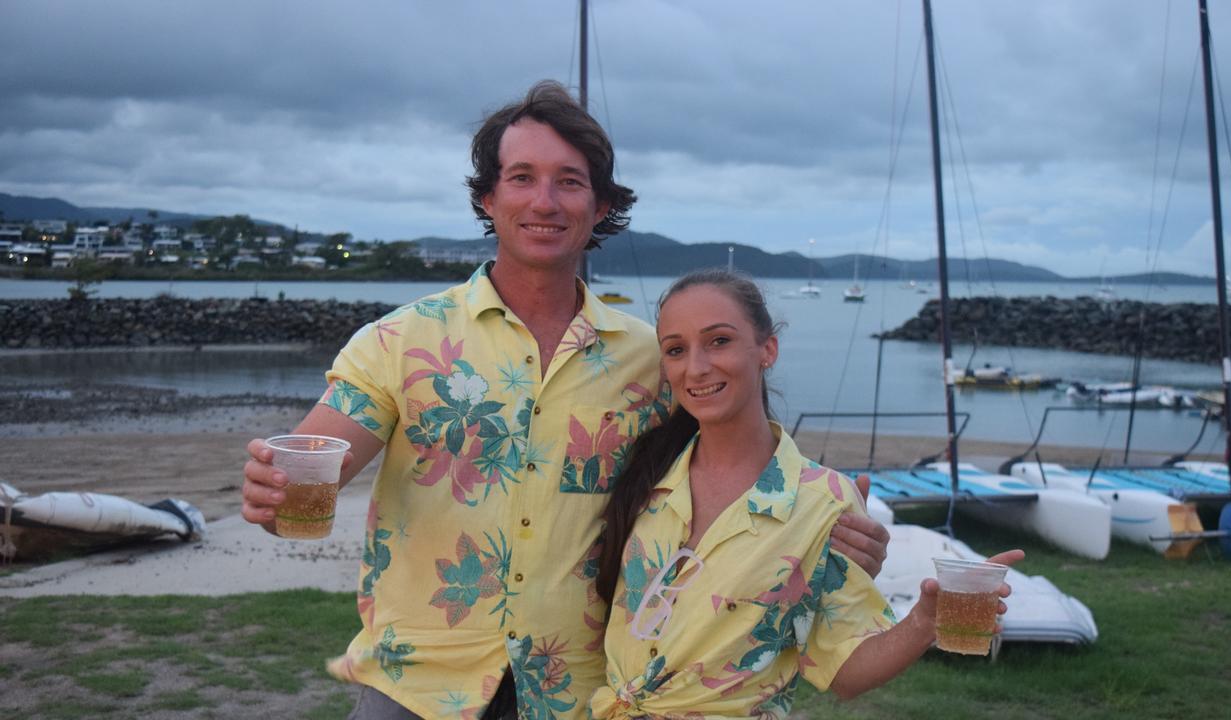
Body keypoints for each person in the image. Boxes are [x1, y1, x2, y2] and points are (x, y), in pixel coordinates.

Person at [240, 81, 890, 719]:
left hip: (576, 693)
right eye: (521, 177)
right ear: (488, 197)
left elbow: (741, 470)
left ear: (601, 205)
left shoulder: (654, 360)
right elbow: (322, 456)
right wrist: (275, 495)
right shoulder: (398, 341)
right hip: (415, 688)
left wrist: (826, 532)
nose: (544, 201)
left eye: (569, 181)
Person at [588, 269, 1023, 719]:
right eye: (676, 350)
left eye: (719, 341)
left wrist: (924, 622)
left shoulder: (825, 502)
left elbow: (845, 670)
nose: (696, 367)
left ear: (767, 349)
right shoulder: (645, 474)